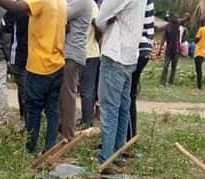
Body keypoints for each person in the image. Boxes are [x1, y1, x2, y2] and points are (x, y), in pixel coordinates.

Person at [0, 0, 67, 154]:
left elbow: (16, 7)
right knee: (52, 109)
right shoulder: (62, 2)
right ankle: (50, 147)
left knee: (33, 110)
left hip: (39, 66)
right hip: (57, 63)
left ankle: (30, 149)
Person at [95, 0, 145, 166]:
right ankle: (118, 153)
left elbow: (100, 19)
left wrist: (109, 22)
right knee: (122, 107)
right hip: (130, 55)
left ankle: (106, 157)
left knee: (110, 109)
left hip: (115, 54)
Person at [58, 0, 91, 141]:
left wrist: (64, 24)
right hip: (68, 53)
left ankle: (68, 134)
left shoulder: (81, 1)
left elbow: (58, 14)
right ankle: (63, 130)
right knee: (63, 93)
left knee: (67, 95)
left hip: (71, 53)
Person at [127, 0, 154, 142]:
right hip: (143, 49)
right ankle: (128, 136)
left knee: (127, 95)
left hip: (137, 49)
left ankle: (129, 137)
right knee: (128, 95)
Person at [3, 10, 28, 126]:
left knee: (24, 89)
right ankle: (25, 119)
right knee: (24, 89)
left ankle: (26, 119)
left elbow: (4, 27)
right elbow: (5, 27)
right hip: (22, 55)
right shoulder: (17, 8)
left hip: (22, 55)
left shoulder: (17, 7)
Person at [78, 0, 98, 128]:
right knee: (87, 90)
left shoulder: (89, 3)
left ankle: (87, 122)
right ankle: (86, 120)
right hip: (89, 51)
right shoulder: (92, 4)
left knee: (86, 91)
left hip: (88, 52)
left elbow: (97, 24)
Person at [159, 16, 180, 86]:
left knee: (171, 67)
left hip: (175, 50)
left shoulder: (177, 26)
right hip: (170, 50)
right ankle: (163, 82)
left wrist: (159, 50)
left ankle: (170, 82)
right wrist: (159, 50)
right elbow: (163, 39)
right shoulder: (168, 27)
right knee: (166, 66)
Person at [193, 16, 205, 90]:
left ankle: (199, 87)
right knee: (199, 70)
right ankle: (199, 86)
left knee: (198, 70)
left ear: (203, 22)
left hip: (198, 52)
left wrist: (195, 39)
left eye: (201, 21)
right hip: (203, 52)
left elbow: (196, 40)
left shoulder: (201, 29)